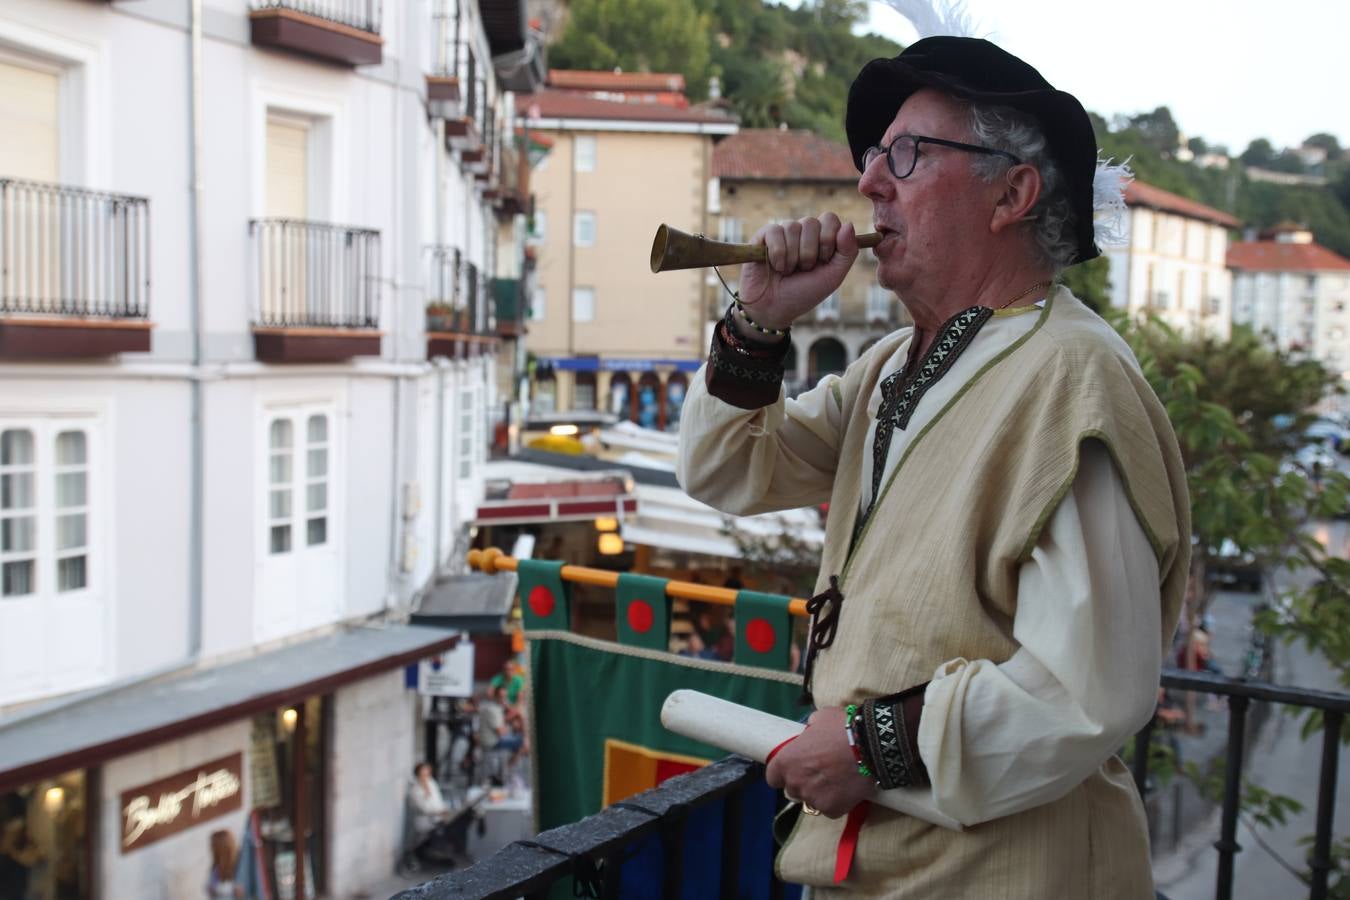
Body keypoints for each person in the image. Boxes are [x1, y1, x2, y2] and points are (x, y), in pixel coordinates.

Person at [676, 35, 1190, 898]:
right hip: (880, 866)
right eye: (875, 157)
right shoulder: (890, 370)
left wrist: (865, 745)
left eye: (907, 155)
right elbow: (727, 470)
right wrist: (759, 318)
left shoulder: (1071, 377)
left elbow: (1088, 690)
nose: (871, 182)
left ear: (1013, 193)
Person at [206, 829, 243, 899]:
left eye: (213, 846)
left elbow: (242, 890)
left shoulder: (241, 863)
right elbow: (209, 888)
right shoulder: (216, 868)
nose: (211, 849)